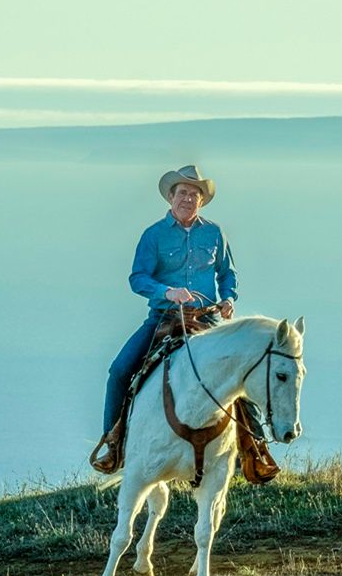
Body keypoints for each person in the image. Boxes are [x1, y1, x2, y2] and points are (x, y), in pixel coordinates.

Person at [98, 165, 238, 441]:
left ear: (201, 200)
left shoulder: (215, 233)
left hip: (207, 318)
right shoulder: (154, 235)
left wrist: (228, 298)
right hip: (164, 318)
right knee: (120, 371)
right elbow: (138, 278)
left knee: (242, 369)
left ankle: (255, 448)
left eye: (194, 194)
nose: (187, 198)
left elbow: (227, 273)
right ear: (171, 197)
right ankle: (112, 442)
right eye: (182, 192)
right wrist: (167, 291)